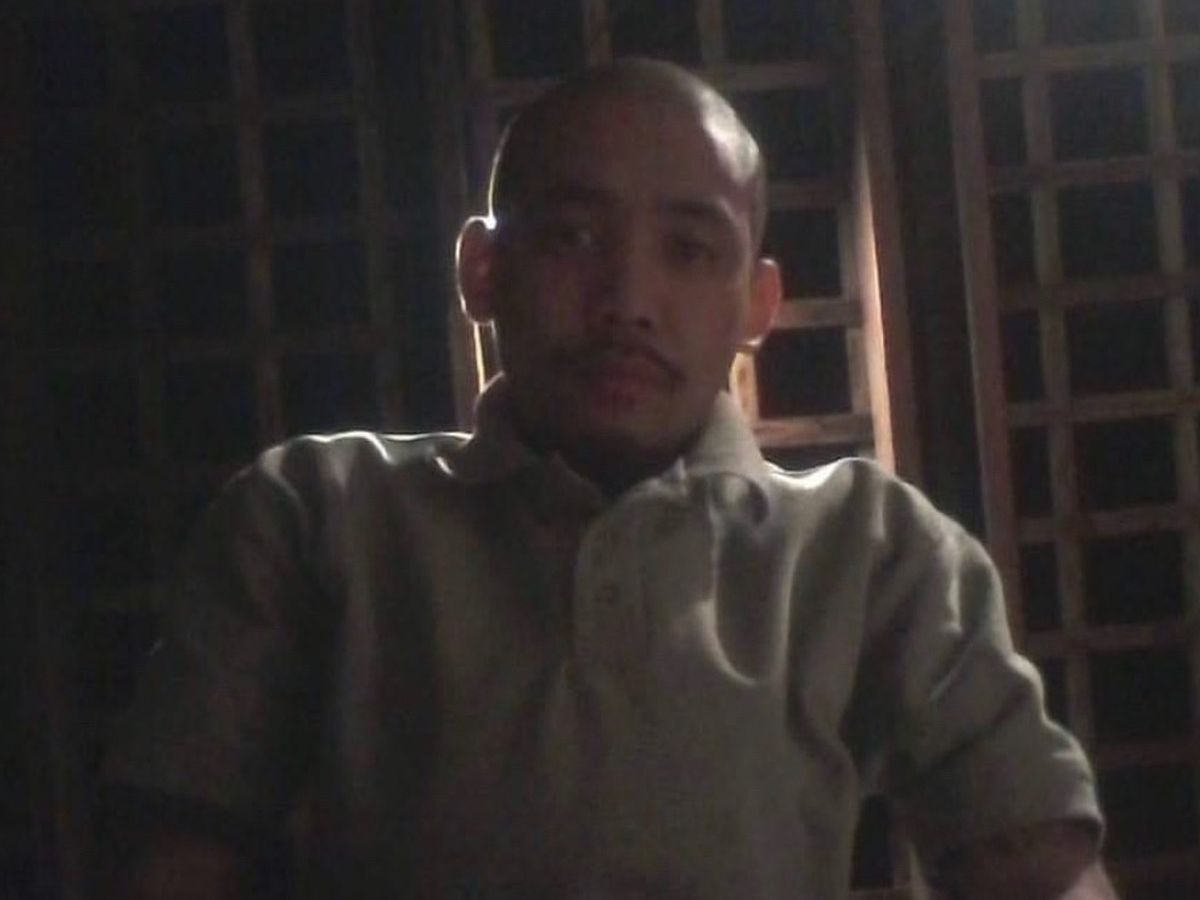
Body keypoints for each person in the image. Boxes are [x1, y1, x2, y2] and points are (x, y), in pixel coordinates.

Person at [102, 59, 1118, 899]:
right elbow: (177, 858)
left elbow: (1033, 862)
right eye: (573, 236)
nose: (628, 298)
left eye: (690, 248)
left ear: (757, 302)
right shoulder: (316, 514)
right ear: (482, 271)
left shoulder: (872, 548)